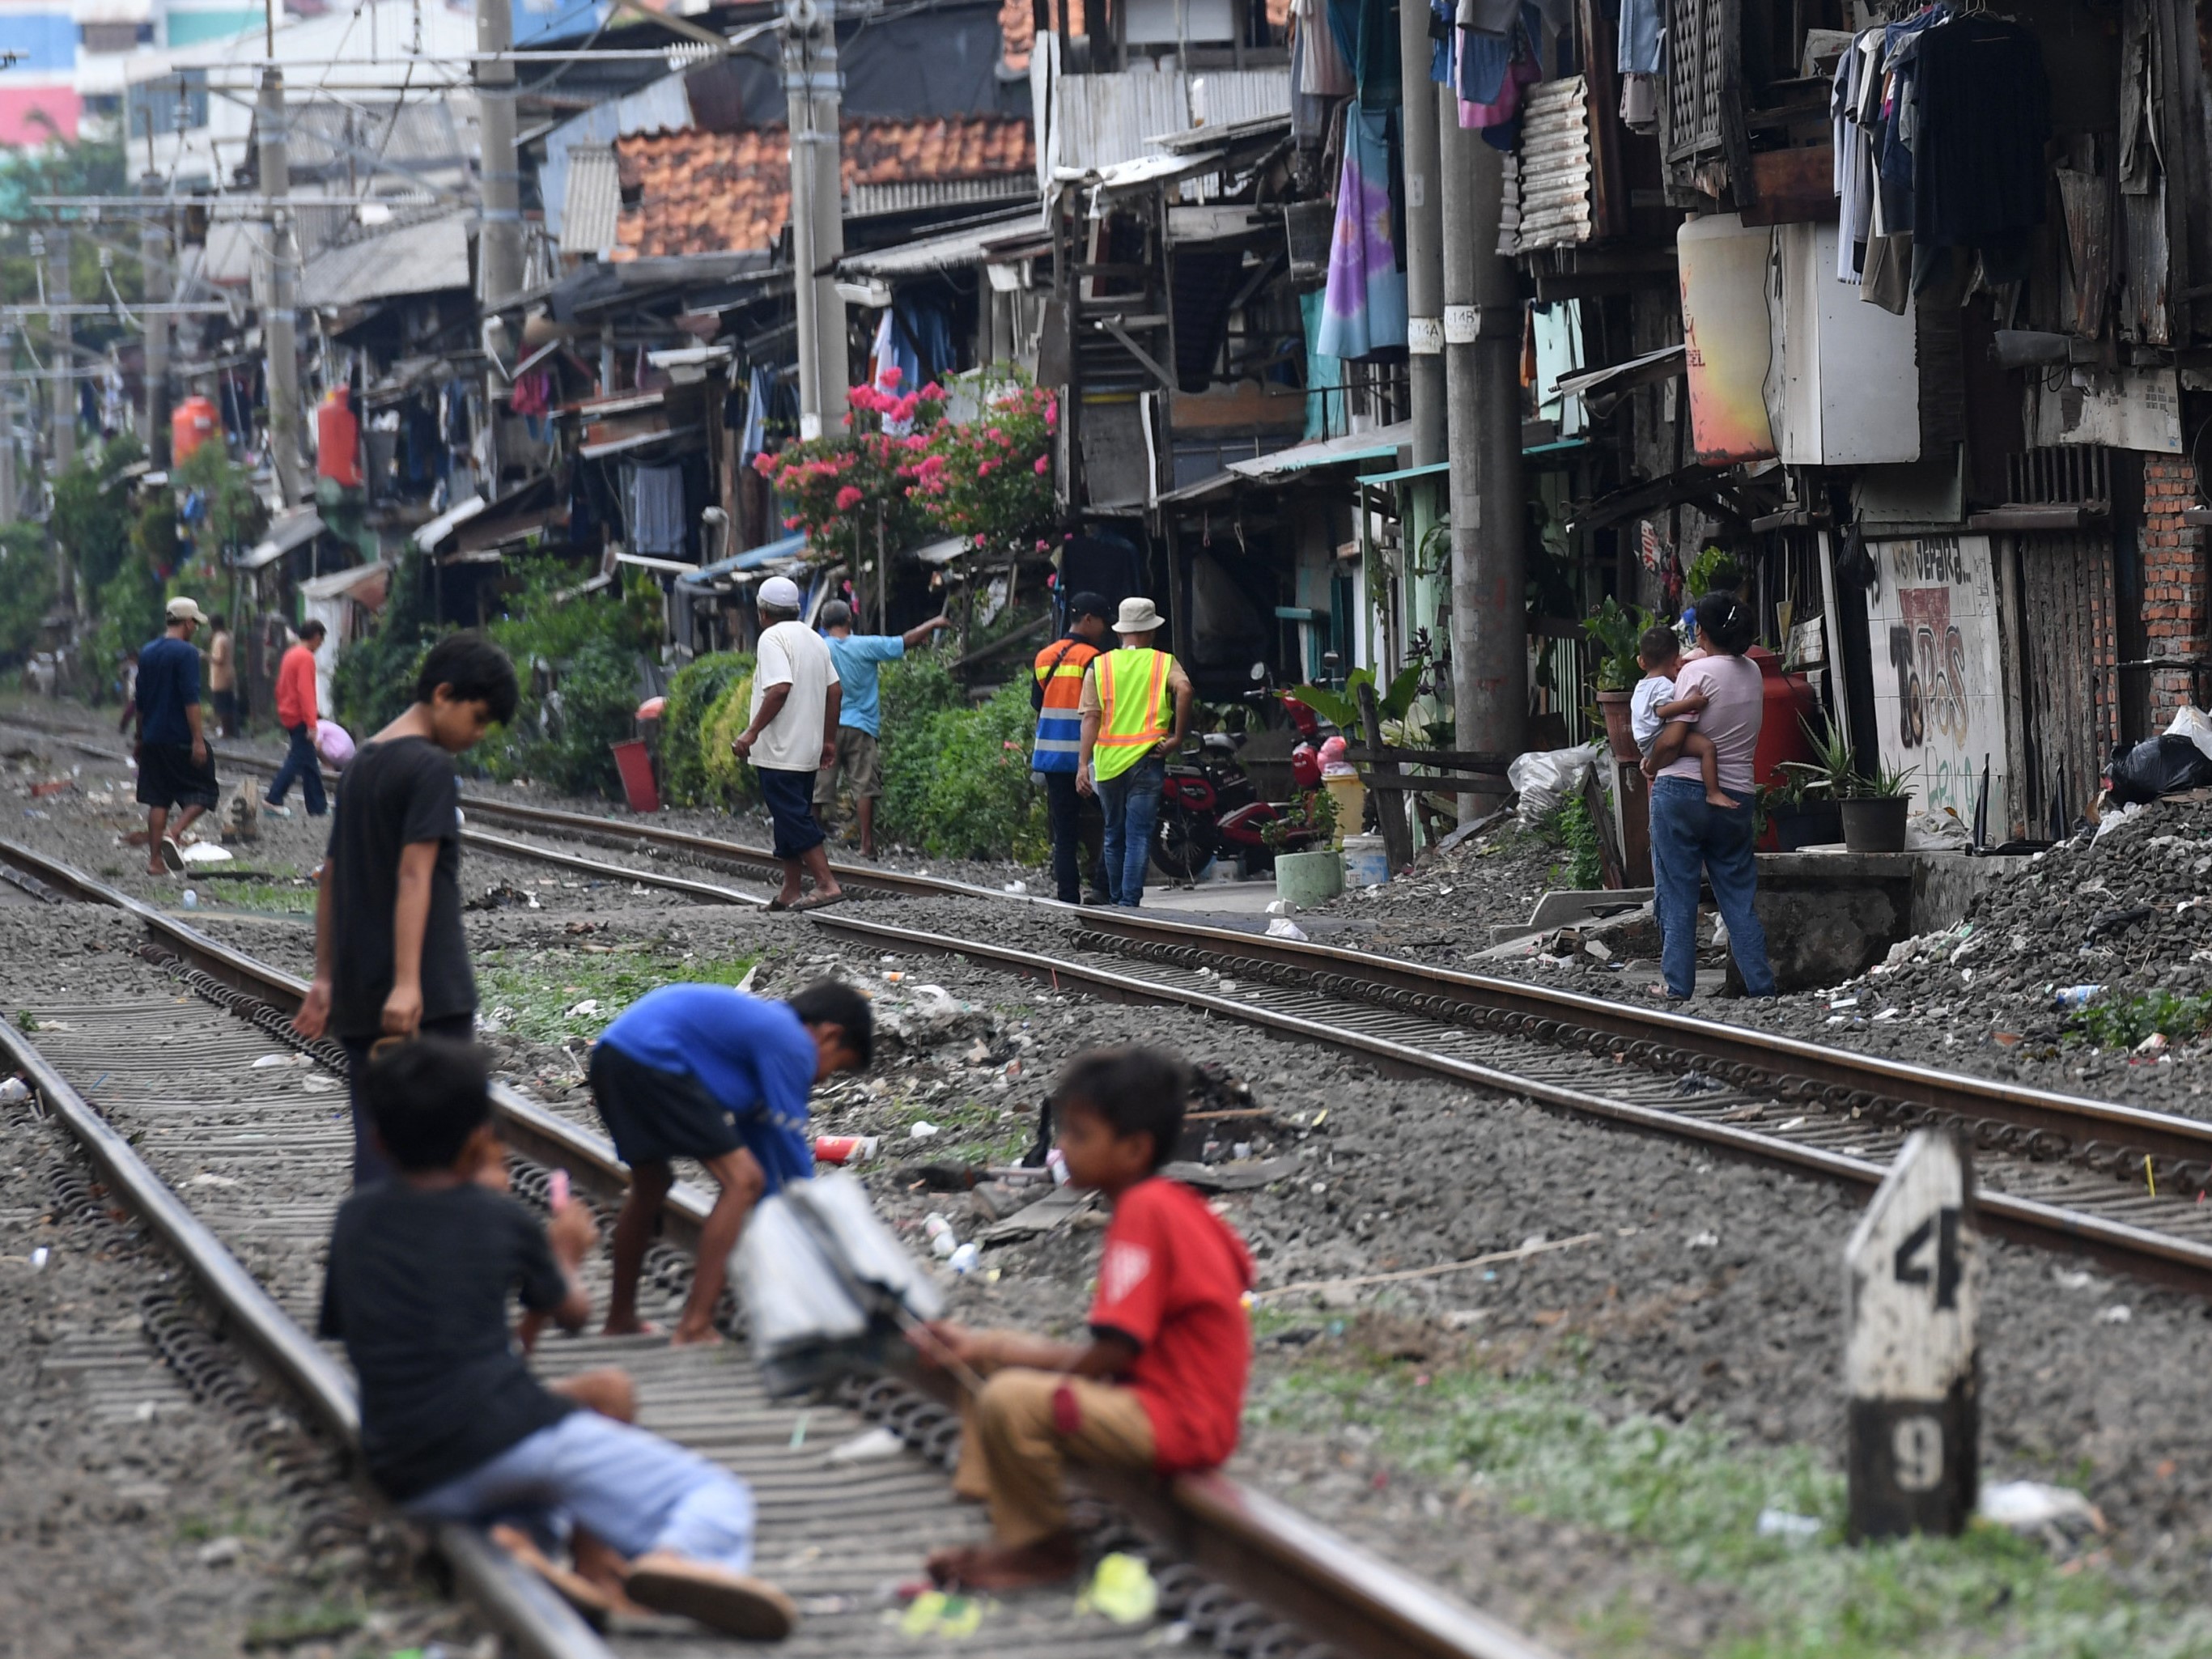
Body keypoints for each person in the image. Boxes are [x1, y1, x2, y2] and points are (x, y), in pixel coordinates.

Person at [320, 1040, 796, 1638]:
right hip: (503, 1436)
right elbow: (573, 1312)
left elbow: (360, 1332)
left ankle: (533, 1554)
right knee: (715, 1494)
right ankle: (672, 1561)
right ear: (476, 1142)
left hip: (410, 1471)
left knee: (581, 1425)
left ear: (381, 1141)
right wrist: (566, 1252)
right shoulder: (499, 1218)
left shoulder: (355, 1220)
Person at [915, 1046, 1253, 1590]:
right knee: (996, 1359)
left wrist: (997, 1352)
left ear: (1133, 1148)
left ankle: (1041, 1551)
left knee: (1009, 1395)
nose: (1062, 1149)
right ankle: (1001, 1511)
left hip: (1178, 1418)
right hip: (1168, 1403)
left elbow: (1110, 1354)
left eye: (1078, 1135)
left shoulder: (1143, 1212)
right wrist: (993, 1348)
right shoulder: (1170, 1204)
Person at [292, 632, 520, 1184]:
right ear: (443, 694)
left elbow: (332, 879)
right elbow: (415, 873)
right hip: (429, 997)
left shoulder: (365, 762)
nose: (478, 733)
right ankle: (432, 1260)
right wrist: (408, 983)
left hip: (359, 991)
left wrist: (324, 979)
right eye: (479, 717)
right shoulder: (430, 768)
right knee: (449, 1146)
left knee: (378, 1140)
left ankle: (376, 1253)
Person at [591, 978, 872, 1347]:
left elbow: (763, 1142)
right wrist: (816, 1225)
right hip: (654, 1060)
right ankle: (694, 1328)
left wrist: (779, 1215)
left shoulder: (760, 1040)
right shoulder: (792, 1042)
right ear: (829, 1036)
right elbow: (789, 1152)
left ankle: (620, 1318)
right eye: (835, 1068)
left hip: (614, 1057)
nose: (821, 1079)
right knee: (742, 1181)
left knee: (652, 1184)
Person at [1641, 592, 1777, 1002]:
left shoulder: (1694, 676)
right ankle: (1761, 986)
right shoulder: (1753, 672)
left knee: (1677, 891)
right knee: (1737, 896)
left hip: (1680, 792)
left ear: (1701, 631)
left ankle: (1678, 987)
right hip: (1736, 793)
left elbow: (1675, 738)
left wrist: (1651, 762)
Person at [730, 575, 843, 910]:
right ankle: (790, 889)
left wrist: (750, 732)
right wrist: (828, 741)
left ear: (763, 612)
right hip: (807, 748)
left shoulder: (771, 639)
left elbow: (779, 688)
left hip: (779, 750)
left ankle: (826, 883)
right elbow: (835, 690)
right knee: (788, 817)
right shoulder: (814, 638)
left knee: (792, 816)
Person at [1076, 598, 1193, 908]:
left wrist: (1082, 766)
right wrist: (1177, 737)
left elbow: (1091, 717)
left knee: (1113, 833)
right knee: (1139, 835)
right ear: (1151, 632)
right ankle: (1129, 903)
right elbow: (1185, 690)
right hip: (1148, 759)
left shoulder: (1099, 666)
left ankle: (1116, 901)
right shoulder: (1163, 662)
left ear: (1121, 633)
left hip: (1109, 762)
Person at [813, 599, 949, 859]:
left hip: (825, 727)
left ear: (823, 624)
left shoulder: (818, 649)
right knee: (864, 785)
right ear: (849, 620)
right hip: (862, 727)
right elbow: (905, 641)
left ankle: (809, 844)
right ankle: (867, 845)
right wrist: (933, 623)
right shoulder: (866, 645)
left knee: (819, 786)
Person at [1030, 592, 1113, 905]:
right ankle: (1102, 888)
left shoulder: (1043, 657)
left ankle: (1067, 897)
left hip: (1051, 760)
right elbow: (1098, 709)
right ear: (1088, 619)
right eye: (1103, 621)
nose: (1105, 628)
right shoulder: (1094, 659)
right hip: (1086, 760)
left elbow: (1037, 704)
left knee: (1064, 834)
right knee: (1113, 820)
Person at [135, 596, 221, 876]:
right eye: (195, 623)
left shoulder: (147, 652)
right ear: (187, 623)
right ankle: (175, 832)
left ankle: (155, 861)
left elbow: (141, 701)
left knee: (158, 798)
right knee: (207, 789)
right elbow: (190, 699)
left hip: (152, 737)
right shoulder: (186, 653)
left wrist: (139, 738)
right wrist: (198, 740)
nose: (195, 628)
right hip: (180, 737)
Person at [1631, 625, 1733, 810]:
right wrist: (1692, 703)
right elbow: (1662, 711)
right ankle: (1713, 792)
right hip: (1658, 740)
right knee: (1707, 748)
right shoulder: (1664, 685)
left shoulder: (1640, 687)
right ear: (1676, 660)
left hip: (1645, 745)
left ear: (1641, 662)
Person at [264, 619, 329, 818]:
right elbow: (306, 692)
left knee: (309, 762)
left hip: (288, 712)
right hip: (299, 716)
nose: (320, 646)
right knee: (298, 759)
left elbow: (280, 687)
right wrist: (312, 723)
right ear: (316, 637)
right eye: (321, 641)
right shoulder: (305, 657)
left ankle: (318, 807)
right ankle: (273, 798)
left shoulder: (290, 654)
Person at [206, 613, 236, 738]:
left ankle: (225, 731)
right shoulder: (227, 636)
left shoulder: (220, 639)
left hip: (220, 677)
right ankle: (229, 730)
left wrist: (206, 656)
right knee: (227, 704)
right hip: (228, 675)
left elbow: (219, 658)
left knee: (222, 705)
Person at [116, 647, 140, 740]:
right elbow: (121, 670)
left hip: (140, 692)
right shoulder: (129, 667)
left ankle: (138, 732)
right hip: (132, 693)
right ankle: (123, 727)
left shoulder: (140, 666)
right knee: (129, 712)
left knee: (138, 714)